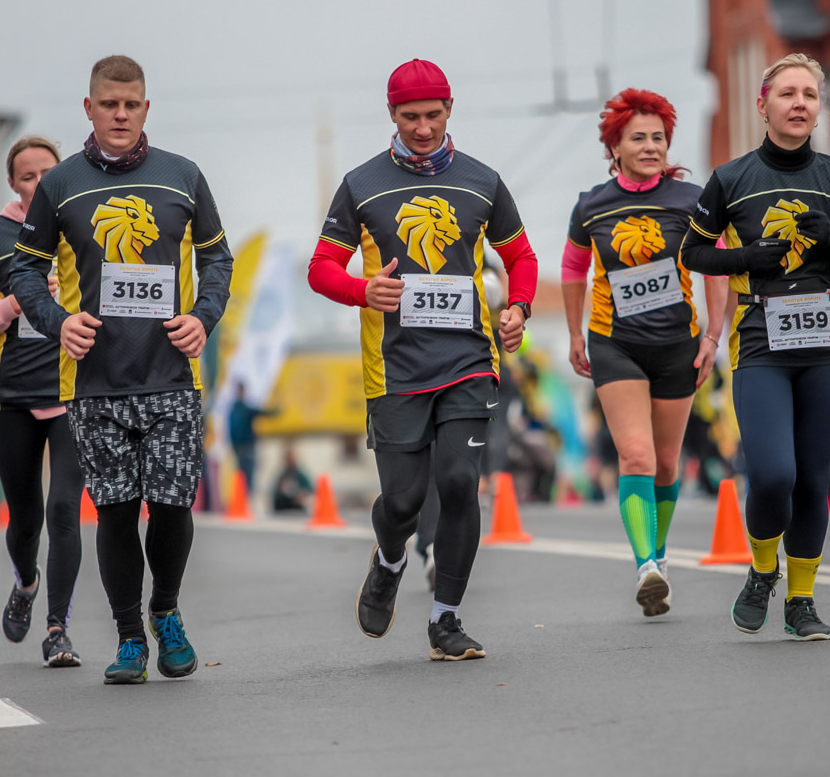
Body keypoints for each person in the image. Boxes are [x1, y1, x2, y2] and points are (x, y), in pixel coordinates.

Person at [9, 55, 233, 685]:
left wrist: (203, 317)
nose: (120, 115)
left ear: (146, 108)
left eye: (131, 104)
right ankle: (130, 636)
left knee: (170, 507)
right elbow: (23, 269)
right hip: (97, 382)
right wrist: (59, 321)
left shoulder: (183, 176)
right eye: (109, 104)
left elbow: (219, 262)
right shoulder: (62, 185)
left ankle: (165, 611)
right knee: (114, 510)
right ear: (89, 108)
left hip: (172, 376)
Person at [307, 58, 537, 660]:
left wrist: (518, 308)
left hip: (467, 360)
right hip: (395, 369)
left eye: (433, 115)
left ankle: (446, 619)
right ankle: (388, 559)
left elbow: (523, 259)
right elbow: (321, 268)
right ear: (391, 115)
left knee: (459, 483)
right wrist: (364, 290)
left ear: (449, 110)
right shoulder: (362, 184)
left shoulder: (482, 181)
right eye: (410, 117)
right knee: (404, 501)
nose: (424, 128)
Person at [681, 53, 830, 641]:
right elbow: (692, 254)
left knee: (814, 479)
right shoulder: (731, 179)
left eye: (810, 96)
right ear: (762, 103)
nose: (799, 104)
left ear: (818, 108)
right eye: (787, 93)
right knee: (771, 474)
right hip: (761, 340)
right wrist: (744, 259)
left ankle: (801, 601)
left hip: (826, 343)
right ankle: (762, 569)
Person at [562, 88, 728, 617]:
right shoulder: (592, 205)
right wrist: (573, 335)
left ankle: (658, 556)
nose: (652, 146)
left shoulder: (690, 199)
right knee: (635, 455)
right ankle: (645, 568)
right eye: (640, 137)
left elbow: (716, 264)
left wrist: (712, 337)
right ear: (616, 146)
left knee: (665, 462)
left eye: (659, 137)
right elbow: (572, 269)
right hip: (616, 344)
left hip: (678, 346)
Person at [0, 137, 84, 667]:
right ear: (13, 183)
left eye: (46, 174)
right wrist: (15, 301)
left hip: (71, 391)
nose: (37, 184)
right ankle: (27, 583)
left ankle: (58, 629)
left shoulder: (80, 227)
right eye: (27, 176)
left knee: (64, 511)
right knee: (27, 517)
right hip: (9, 393)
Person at [271, 444, 313, 513]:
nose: (289, 461)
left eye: (291, 458)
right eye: (288, 458)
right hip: (283, 507)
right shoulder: (281, 476)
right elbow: (275, 493)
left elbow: (309, 489)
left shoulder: (300, 475)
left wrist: (303, 495)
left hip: (296, 506)